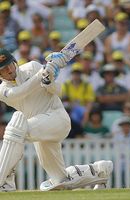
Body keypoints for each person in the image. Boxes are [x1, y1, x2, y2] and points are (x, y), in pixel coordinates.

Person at [0, 48, 113, 192]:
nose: (9, 70)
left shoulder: (32, 67)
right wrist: (44, 73)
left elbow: (58, 91)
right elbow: (19, 92)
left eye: (10, 64)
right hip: (38, 130)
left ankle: (4, 181)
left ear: (15, 62)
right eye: (3, 69)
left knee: (16, 124)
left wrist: (50, 81)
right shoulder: (2, 91)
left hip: (56, 119)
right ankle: (99, 170)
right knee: (60, 180)